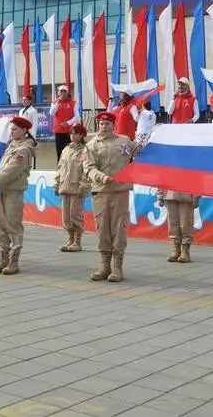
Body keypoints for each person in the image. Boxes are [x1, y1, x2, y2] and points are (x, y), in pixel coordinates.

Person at [83, 111, 138, 282]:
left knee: (118, 229)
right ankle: (104, 265)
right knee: (102, 229)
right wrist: (101, 177)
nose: (104, 127)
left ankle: (117, 267)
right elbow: (88, 167)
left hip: (120, 192)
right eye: (101, 124)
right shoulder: (91, 145)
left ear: (113, 125)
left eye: (107, 124)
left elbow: (142, 152)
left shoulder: (125, 141)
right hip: (101, 191)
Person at [0, 116, 37, 275]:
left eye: (15, 129)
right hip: (3, 191)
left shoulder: (23, 150)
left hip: (14, 191)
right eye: (11, 129)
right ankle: (3, 259)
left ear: (25, 131)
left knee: (13, 226)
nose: (11, 132)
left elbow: (10, 171)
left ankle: (14, 261)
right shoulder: (11, 146)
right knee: (1, 225)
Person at [53, 124, 91, 252]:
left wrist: (84, 187)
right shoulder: (66, 150)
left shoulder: (86, 150)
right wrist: (57, 184)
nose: (72, 135)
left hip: (77, 188)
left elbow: (87, 171)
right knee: (66, 218)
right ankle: (70, 238)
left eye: (76, 133)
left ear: (82, 135)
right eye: (71, 133)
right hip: (65, 186)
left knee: (76, 215)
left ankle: (77, 241)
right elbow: (60, 169)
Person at [158, 188, 199, 263]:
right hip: (170, 194)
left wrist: (196, 196)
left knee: (186, 223)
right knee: (173, 224)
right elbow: (162, 177)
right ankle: (176, 250)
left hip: (187, 194)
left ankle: (185, 251)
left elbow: (197, 178)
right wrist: (160, 195)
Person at [51, 86, 80, 160]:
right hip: (59, 131)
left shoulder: (73, 103)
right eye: (61, 91)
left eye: (64, 91)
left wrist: (68, 123)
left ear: (67, 93)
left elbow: (77, 117)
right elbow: (52, 113)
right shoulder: (55, 103)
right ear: (58, 93)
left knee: (70, 152)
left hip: (70, 132)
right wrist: (58, 102)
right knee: (60, 153)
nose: (62, 93)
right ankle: (60, 169)